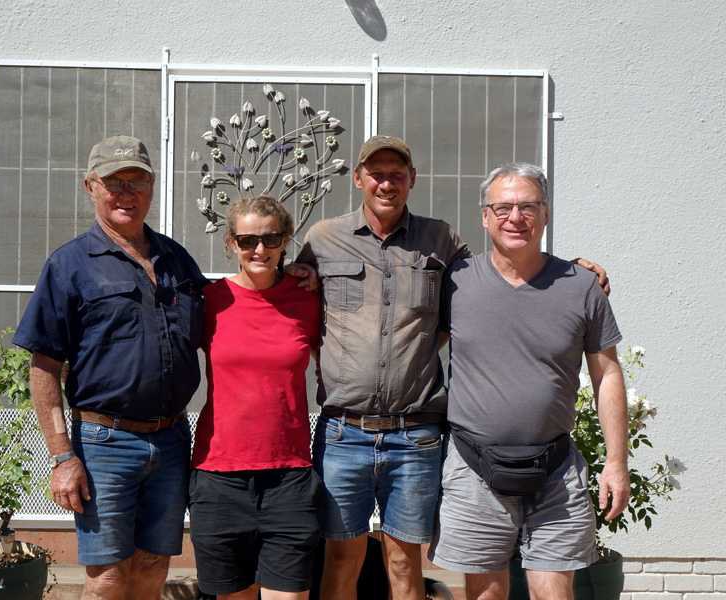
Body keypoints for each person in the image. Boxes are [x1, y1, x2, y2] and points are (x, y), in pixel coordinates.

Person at [297, 137, 609, 600]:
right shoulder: (323, 239)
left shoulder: (442, 240)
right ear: (359, 178)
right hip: (345, 432)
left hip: (415, 433)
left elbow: (507, 268)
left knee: (406, 559)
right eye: (376, 174)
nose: (387, 183)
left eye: (397, 174)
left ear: (412, 180)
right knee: (342, 557)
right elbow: (289, 297)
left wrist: (576, 269)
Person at [13, 135, 208, 600]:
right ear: (91, 186)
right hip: (105, 443)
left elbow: (225, 321)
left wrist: (293, 278)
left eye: (137, 181)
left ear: (152, 187)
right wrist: (62, 457)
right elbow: (43, 366)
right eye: (114, 182)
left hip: (172, 437)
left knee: (154, 564)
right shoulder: (70, 265)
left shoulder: (178, 260)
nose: (126, 193)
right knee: (106, 575)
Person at [428, 163, 628, 600]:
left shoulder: (581, 286)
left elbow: (607, 373)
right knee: (486, 594)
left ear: (546, 214)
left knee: (554, 593)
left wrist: (616, 461)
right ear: (484, 216)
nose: (515, 217)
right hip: (473, 464)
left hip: (555, 467)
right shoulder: (455, 282)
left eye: (528, 206)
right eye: (502, 207)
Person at [189, 195, 321, 600]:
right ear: (231, 243)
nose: (259, 249)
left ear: (286, 241)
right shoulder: (210, 301)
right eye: (247, 241)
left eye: (270, 238)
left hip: (290, 476)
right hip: (218, 477)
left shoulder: (309, 299)